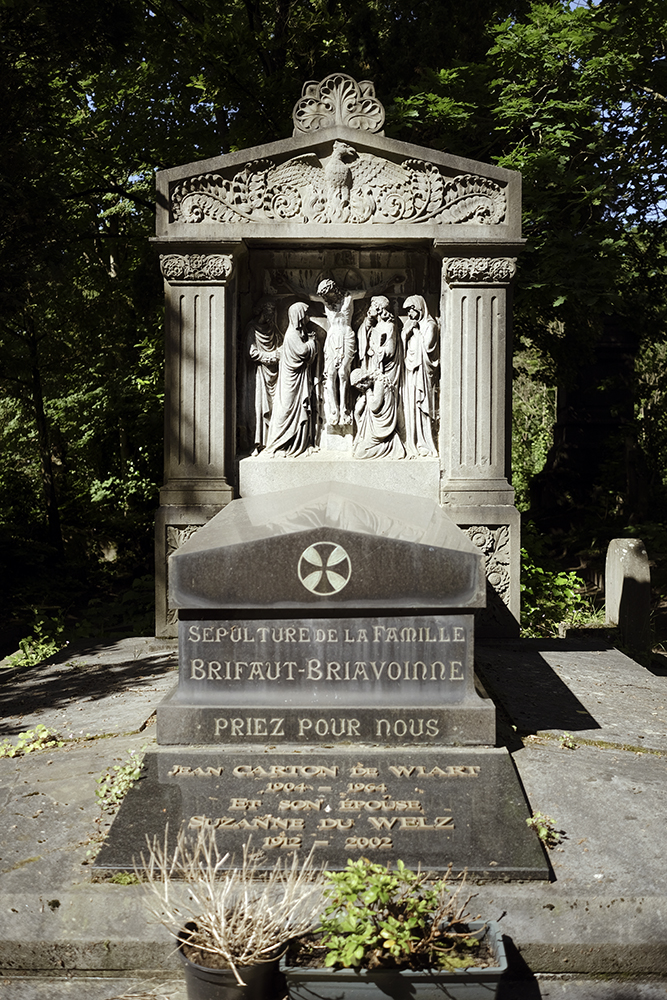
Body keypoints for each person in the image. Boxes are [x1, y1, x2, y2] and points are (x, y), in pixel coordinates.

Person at [352, 296, 405, 459]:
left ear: (380, 308)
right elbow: (363, 334)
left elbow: (389, 350)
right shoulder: (374, 324)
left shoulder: (390, 326)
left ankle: (388, 440)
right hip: (372, 367)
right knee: (365, 406)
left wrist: (376, 349)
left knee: (377, 404)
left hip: (384, 370)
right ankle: (368, 436)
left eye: (374, 306)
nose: (370, 308)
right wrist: (368, 320)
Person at [264, 302, 319, 457]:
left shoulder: (299, 333)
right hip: (291, 381)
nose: (308, 318)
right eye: (306, 314)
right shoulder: (292, 335)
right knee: (287, 410)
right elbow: (302, 352)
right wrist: (312, 343)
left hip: (299, 378)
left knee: (300, 410)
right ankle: (279, 444)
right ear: (299, 316)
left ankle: (299, 443)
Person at [401, 295, 439, 457]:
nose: (409, 313)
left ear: (419, 308)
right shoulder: (411, 326)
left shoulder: (430, 326)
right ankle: (412, 441)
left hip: (422, 375)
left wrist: (415, 332)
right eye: (408, 311)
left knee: (421, 409)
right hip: (410, 373)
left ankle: (425, 443)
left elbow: (427, 349)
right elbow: (403, 350)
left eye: (411, 309)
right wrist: (405, 335)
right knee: (409, 409)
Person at [245, 298, 282, 455]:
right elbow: (252, 352)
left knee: (275, 407)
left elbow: (280, 343)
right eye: (269, 312)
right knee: (259, 407)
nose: (271, 315)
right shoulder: (252, 329)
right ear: (262, 311)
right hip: (259, 373)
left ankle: (272, 441)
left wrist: (281, 351)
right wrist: (271, 356)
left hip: (274, 374)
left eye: (273, 312)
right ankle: (257, 443)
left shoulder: (273, 329)